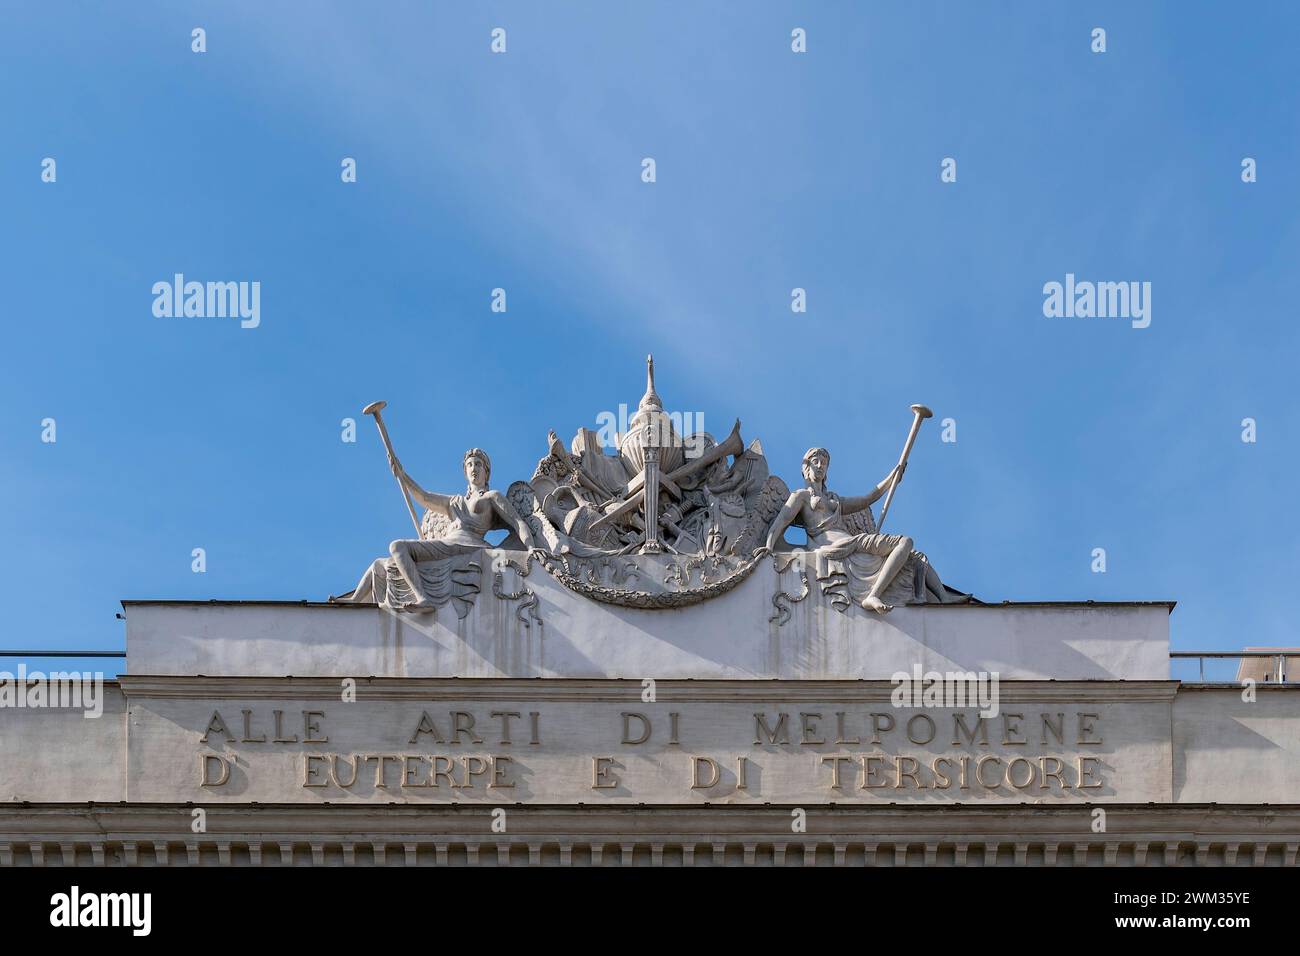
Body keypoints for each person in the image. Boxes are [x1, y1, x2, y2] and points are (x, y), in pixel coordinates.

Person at [755, 447, 924, 612]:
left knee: (905, 543)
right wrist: (769, 546)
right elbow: (781, 522)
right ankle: (873, 596)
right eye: (816, 462)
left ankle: (874, 594)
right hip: (832, 546)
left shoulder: (834, 499)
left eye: (824, 463)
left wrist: (891, 479)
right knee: (904, 542)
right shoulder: (801, 496)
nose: (820, 466)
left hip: (851, 541)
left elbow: (867, 499)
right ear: (806, 467)